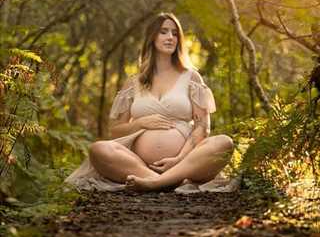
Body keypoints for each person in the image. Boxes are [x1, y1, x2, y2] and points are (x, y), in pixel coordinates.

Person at [65, 12, 234, 192]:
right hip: (140, 164)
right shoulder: (134, 82)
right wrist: (140, 123)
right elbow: (115, 131)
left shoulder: (191, 77)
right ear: (152, 37)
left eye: (175, 33)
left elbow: (202, 127)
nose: (170, 37)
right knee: (98, 149)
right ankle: (161, 180)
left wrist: (179, 160)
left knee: (224, 143)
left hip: (185, 162)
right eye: (163, 32)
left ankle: (159, 182)